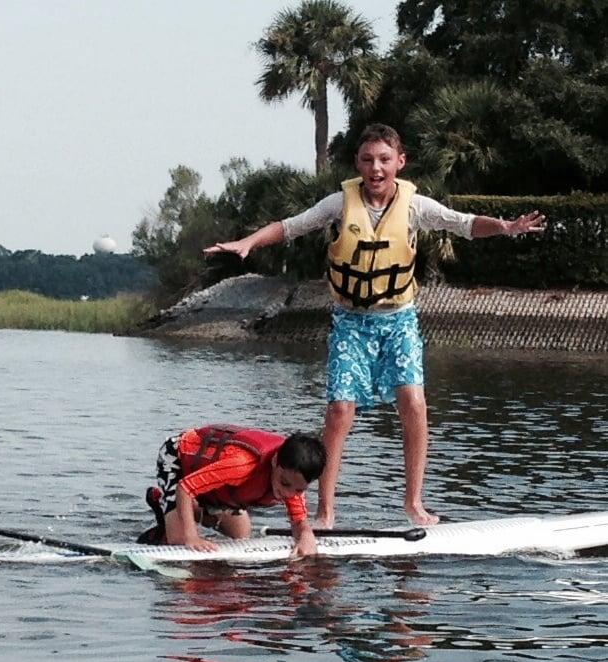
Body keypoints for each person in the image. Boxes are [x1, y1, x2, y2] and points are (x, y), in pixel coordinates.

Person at [205, 123, 546, 529]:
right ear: (358, 164)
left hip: (399, 320)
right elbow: (292, 225)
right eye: (368, 160)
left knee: (414, 404)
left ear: (399, 162)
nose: (376, 168)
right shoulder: (339, 203)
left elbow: (464, 223)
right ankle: (325, 512)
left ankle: (414, 504)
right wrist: (248, 243)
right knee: (339, 411)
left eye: (385, 160)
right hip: (350, 322)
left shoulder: (416, 206)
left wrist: (505, 227)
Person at [138, 424, 326, 557]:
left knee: (241, 534)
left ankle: (183, 508)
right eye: (284, 484)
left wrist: (306, 537)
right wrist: (192, 537)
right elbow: (185, 488)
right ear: (275, 461)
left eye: (299, 490)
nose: (288, 494)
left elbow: (299, 523)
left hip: (210, 484)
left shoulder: (292, 481)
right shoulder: (242, 465)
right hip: (178, 458)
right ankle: (163, 505)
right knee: (180, 541)